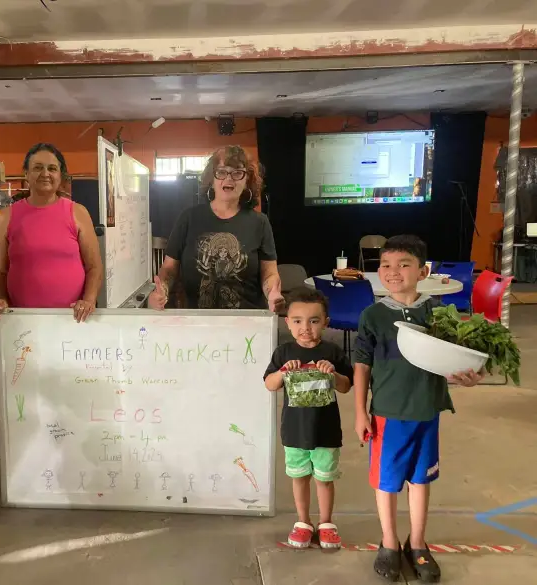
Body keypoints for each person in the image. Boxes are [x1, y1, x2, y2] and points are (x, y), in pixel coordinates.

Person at [353, 235, 484, 582]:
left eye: (404, 264)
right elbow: (362, 366)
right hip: (387, 413)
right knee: (387, 481)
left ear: (423, 270)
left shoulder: (440, 312)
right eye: (385, 265)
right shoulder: (372, 316)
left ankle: (418, 543)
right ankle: (389, 542)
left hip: (427, 411)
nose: (393, 272)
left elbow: (462, 358)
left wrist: (472, 376)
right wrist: (359, 412)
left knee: (421, 479)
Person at [264, 288, 352, 549]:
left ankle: (326, 523)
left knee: (325, 478)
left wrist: (333, 374)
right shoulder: (283, 353)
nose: (306, 328)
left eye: (314, 321)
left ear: (325, 322)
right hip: (294, 431)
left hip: (326, 431)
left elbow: (346, 386)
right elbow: (270, 384)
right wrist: (282, 372)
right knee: (299, 477)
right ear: (287, 323)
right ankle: (303, 522)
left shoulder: (333, 352)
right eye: (298, 321)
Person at [148, 145, 282, 311]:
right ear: (211, 179)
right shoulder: (188, 218)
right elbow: (169, 269)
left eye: (237, 172)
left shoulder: (260, 222)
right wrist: (162, 291)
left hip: (248, 323)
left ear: (247, 180)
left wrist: (272, 293)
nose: (229, 178)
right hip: (198, 322)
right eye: (221, 172)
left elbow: (269, 273)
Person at [0, 143, 103, 322]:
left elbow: (94, 267)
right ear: (26, 174)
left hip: (73, 318)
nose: (45, 174)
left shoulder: (78, 212)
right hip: (22, 320)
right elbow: (0, 271)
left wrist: (88, 300)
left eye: (52, 168)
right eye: (37, 168)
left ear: (61, 175)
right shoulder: (6, 216)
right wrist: (1, 298)